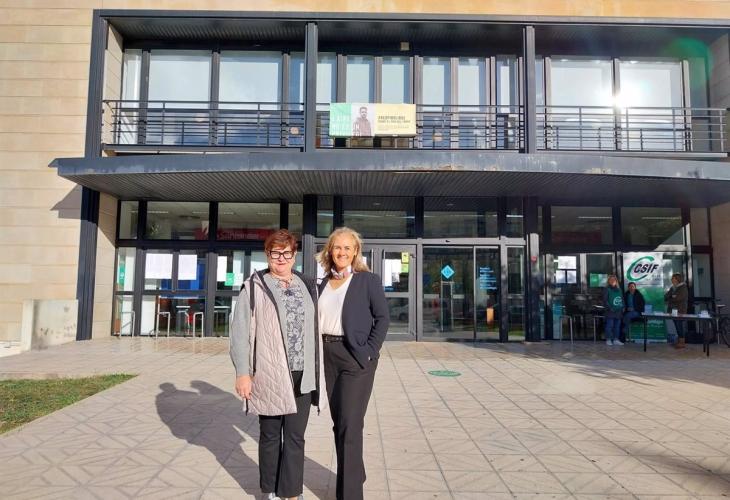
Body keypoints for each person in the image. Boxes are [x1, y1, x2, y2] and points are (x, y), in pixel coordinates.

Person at [230, 229, 326, 500]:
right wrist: (243, 373)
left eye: (286, 253)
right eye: (275, 253)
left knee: (295, 436)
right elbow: (240, 333)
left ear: (294, 255)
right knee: (271, 435)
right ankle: (271, 490)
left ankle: (292, 492)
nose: (281, 258)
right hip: (270, 373)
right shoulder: (254, 286)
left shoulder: (307, 284)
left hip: (303, 373)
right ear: (267, 255)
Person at [317, 227, 389, 500]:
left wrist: (370, 351)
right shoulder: (322, 283)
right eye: (337, 247)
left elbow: (383, 318)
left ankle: (350, 494)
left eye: (347, 247)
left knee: (350, 424)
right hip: (327, 356)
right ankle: (355, 473)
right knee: (340, 423)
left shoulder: (367, 281)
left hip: (355, 358)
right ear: (330, 251)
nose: (342, 252)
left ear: (356, 251)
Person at [664, 272, 689, 348]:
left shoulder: (683, 287)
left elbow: (678, 298)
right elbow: (666, 296)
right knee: (676, 325)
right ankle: (679, 340)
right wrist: (672, 296)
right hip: (673, 310)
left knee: (680, 325)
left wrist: (671, 298)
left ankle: (682, 342)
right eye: (672, 278)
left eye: (673, 278)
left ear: (677, 279)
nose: (671, 279)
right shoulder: (673, 288)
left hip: (680, 310)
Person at [602, 274, 624, 346]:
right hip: (610, 311)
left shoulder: (619, 289)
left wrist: (623, 307)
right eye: (610, 279)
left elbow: (622, 299)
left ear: (616, 281)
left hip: (618, 311)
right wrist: (610, 308)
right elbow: (605, 300)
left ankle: (616, 339)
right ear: (608, 281)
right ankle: (608, 339)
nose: (612, 281)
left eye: (614, 279)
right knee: (609, 326)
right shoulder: (606, 289)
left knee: (617, 326)